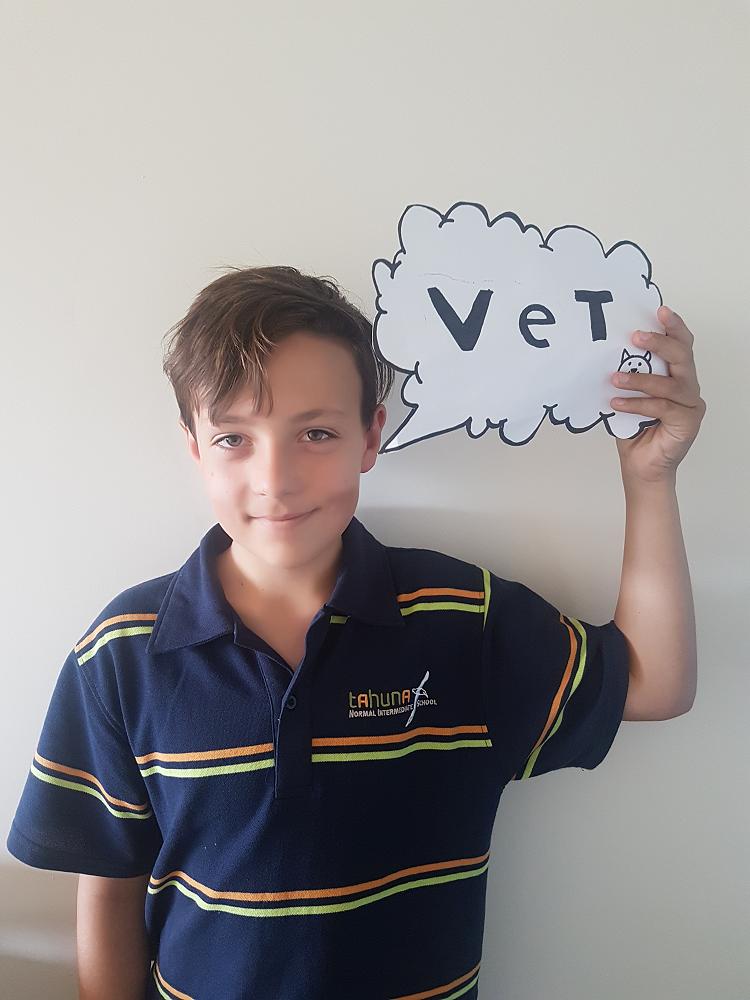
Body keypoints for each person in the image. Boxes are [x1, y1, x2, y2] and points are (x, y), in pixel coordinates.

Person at [6, 266, 706, 1000]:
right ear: (194, 446)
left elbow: (654, 683)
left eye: (316, 433)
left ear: (370, 435)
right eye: (234, 438)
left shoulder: (460, 618)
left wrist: (650, 479)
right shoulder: (123, 651)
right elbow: (108, 888)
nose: (275, 479)